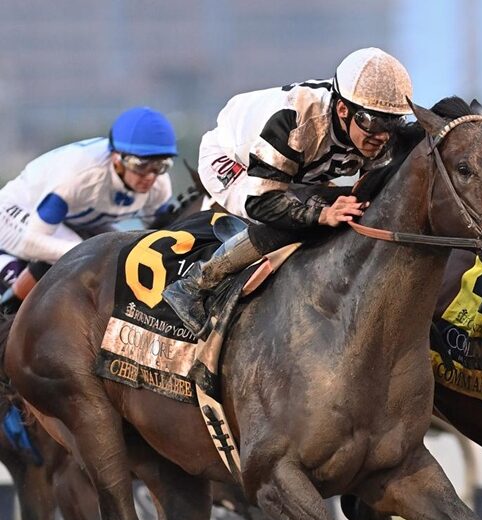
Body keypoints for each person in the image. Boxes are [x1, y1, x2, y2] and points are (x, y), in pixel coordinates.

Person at [162, 47, 414, 335]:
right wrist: (321, 215)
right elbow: (263, 203)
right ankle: (195, 284)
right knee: (293, 222)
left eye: (393, 123)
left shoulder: (369, 127)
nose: (382, 137)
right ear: (343, 110)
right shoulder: (293, 123)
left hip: (297, 168)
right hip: (234, 162)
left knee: (355, 206)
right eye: (373, 123)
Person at [0, 107, 177, 313]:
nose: (150, 176)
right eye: (141, 165)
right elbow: (32, 242)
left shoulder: (159, 185)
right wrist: (92, 253)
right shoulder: (81, 177)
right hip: (19, 215)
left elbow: (162, 242)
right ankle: (7, 310)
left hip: (74, 219)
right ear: (116, 159)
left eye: (161, 166)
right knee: (81, 253)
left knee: (123, 251)